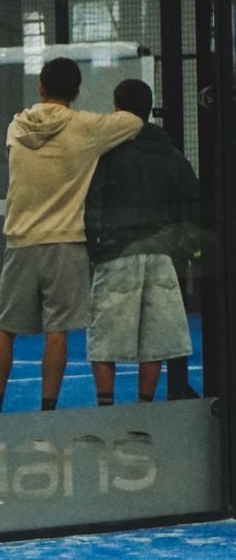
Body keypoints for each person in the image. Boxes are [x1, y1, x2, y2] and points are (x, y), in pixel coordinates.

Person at [0, 57, 142, 415]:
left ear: (40, 86)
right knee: (57, 331)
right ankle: (48, 409)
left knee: (5, 329)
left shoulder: (16, 127)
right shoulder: (86, 127)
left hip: (20, 241)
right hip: (66, 241)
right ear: (76, 91)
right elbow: (134, 121)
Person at [84, 79, 200, 406]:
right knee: (155, 342)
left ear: (117, 108)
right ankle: (144, 408)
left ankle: (106, 408)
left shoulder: (109, 155)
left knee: (105, 340)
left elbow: (93, 203)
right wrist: (179, 246)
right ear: (149, 109)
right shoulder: (173, 155)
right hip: (161, 255)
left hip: (117, 252)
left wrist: (96, 248)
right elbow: (192, 204)